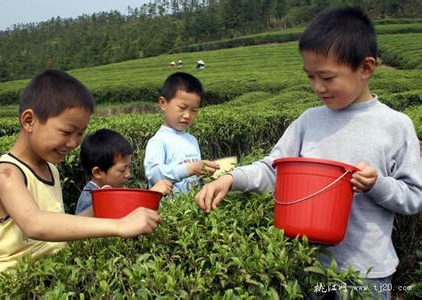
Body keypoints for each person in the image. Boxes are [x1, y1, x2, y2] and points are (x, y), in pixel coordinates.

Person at [194, 6, 422, 299]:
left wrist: (377, 185)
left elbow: (414, 196)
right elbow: (273, 170)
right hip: (312, 265)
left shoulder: (395, 126)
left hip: (368, 273)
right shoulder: (308, 121)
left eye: (327, 78)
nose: (318, 88)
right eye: (310, 77)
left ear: (365, 68)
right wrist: (231, 179)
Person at [0, 70, 162, 274]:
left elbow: (59, 223)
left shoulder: (51, 170)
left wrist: (105, 204)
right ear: (29, 121)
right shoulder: (6, 173)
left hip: (49, 273)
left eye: (80, 134)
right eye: (66, 132)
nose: (74, 143)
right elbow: (34, 223)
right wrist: (119, 225)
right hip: (7, 280)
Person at [144, 72, 219, 194]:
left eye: (194, 110)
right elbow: (154, 175)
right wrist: (191, 168)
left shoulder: (192, 140)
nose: (187, 115)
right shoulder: (158, 141)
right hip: (169, 210)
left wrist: (204, 173)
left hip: (192, 207)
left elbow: (194, 178)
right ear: (163, 104)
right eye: (182, 108)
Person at [75, 128, 172, 214]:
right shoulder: (89, 200)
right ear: (97, 172)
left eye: (129, 167)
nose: (128, 174)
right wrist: (151, 194)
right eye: (122, 170)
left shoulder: (113, 187)